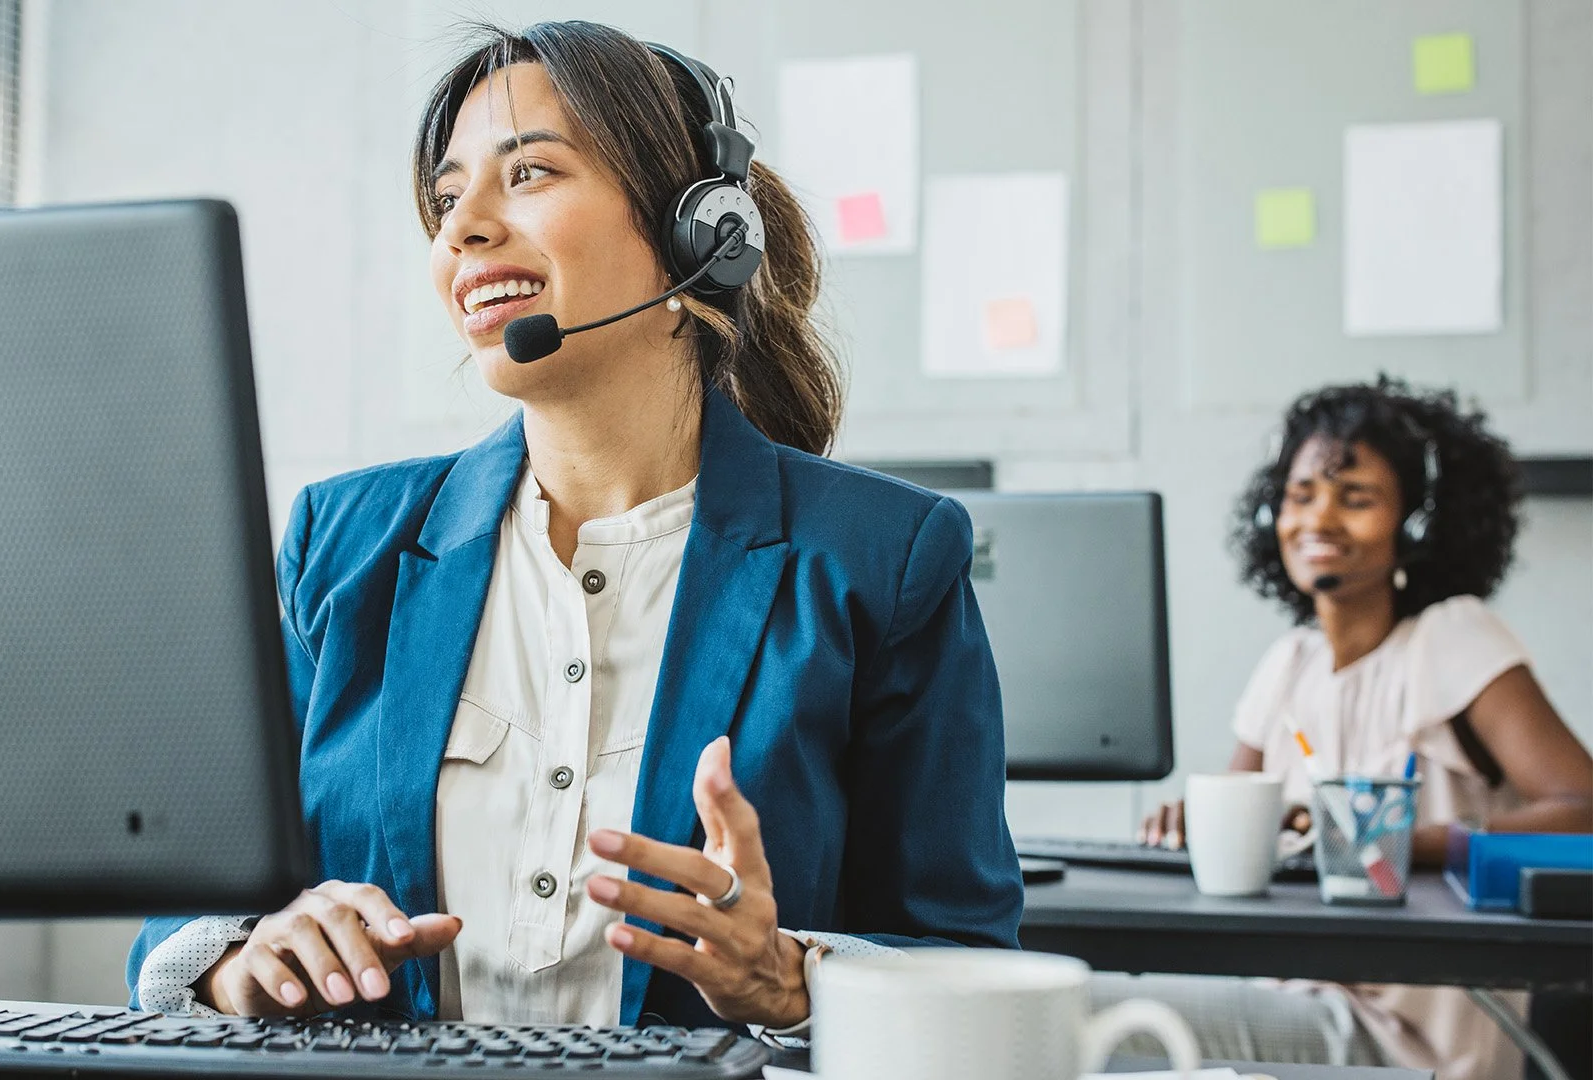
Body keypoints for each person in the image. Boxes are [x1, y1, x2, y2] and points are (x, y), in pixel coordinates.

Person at [124, 21, 1022, 1034]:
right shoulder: (339, 544)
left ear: (698, 235)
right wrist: (247, 961)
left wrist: (793, 979)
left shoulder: (883, 562)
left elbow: (970, 967)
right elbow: (184, 922)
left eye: (531, 173)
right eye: (447, 198)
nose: (463, 229)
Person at [1126, 377, 1592, 1080]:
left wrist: (1394, 839)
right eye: (1301, 494)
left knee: (1088, 1014)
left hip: (1406, 1038)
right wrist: (1194, 823)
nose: (1319, 519)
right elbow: (1244, 818)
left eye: (1357, 499)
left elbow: (1583, 812)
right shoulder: (1290, 662)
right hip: (1290, 992)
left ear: (1416, 525)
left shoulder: (1452, 638)